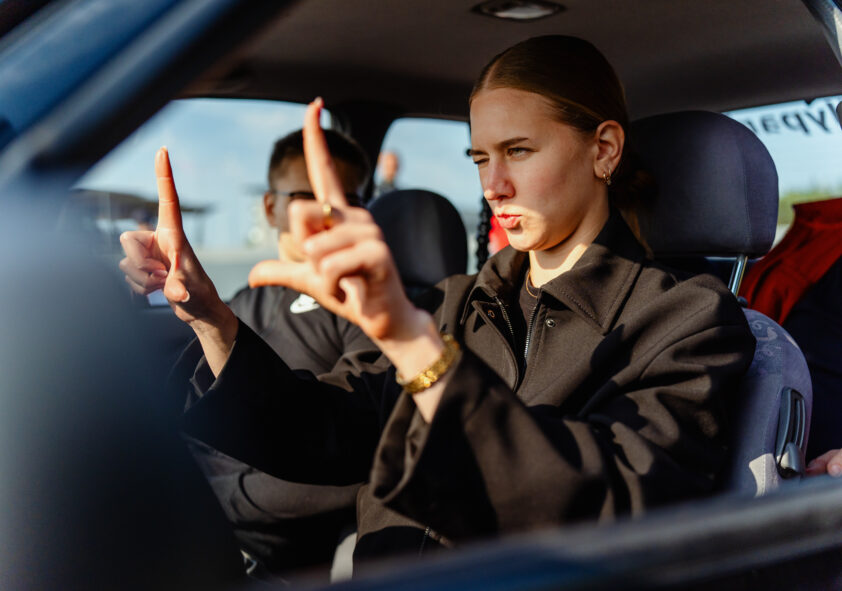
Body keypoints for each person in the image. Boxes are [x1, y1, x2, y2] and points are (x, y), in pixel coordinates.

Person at [120, 35, 755, 566]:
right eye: (480, 158)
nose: (493, 185)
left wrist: (413, 344)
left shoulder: (686, 322)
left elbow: (612, 510)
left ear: (604, 149)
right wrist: (212, 319)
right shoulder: (458, 302)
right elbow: (322, 432)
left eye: (518, 151)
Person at [172, 129, 378, 578]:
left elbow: (349, 440)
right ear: (271, 208)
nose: (328, 214)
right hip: (193, 521)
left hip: (271, 550)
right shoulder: (237, 303)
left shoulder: (373, 310)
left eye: (347, 201)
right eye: (309, 197)